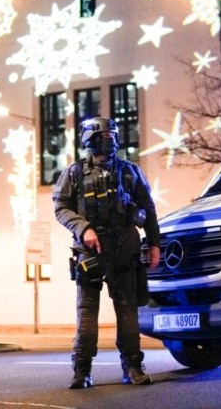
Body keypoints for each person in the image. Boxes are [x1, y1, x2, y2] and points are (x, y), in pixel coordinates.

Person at [53, 117, 162, 389]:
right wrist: (84, 228)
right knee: (87, 315)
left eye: (113, 136)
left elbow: (148, 209)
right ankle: (82, 370)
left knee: (128, 313)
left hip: (125, 251)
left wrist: (154, 244)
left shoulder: (130, 172)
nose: (111, 141)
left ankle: (132, 366)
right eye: (105, 137)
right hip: (90, 252)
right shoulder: (75, 173)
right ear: (91, 140)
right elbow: (61, 207)